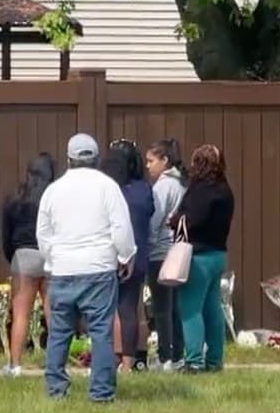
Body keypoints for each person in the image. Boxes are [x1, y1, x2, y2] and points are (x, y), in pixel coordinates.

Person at [37, 133, 136, 402]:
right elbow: (121, 228)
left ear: (68, 159)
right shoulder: (108, 187)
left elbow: (43, 234)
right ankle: (101, 392)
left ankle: (56, 389)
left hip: (63, 268)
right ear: (96, 158)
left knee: (59, 333)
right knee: (101, 332)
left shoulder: (53, 191)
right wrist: (126, 256)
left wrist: (53, 259)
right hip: (99, 268)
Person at [170, 144, 235, 373]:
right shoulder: (225, 191)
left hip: (197, 257)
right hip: (219, 254)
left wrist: (174, 220)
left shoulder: (200, 191)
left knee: (190, 309)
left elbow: (191, 220)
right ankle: (215, 361)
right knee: (212, 308)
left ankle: (194, 361)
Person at [100, 140, 154, 373]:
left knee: (110, 311)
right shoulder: (145, 189)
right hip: (139, 254)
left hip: (112, 255)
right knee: (131, 310)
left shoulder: (109, 189)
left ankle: (112, 359)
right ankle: (132, 362)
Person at [2, 152, 56, 376]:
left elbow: (6, 234)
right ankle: (57, 362)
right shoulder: (54, 197)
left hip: (23, 255)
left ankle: (15, 365)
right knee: (53, 313)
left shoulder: (16, 198)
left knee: (21, 314)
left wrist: (12, 257)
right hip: (50, 254)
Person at [145, 138, 187, 371]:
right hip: (178, 252)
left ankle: (164, 357)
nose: (147, 165)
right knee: (176, 308)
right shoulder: (181, 184)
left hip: (160, 253)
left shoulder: (162, 187)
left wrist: (147, 245)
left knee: (161, 308)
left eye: (151, 161)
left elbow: (154, 219)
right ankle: (178, 353)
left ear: (165, 160)